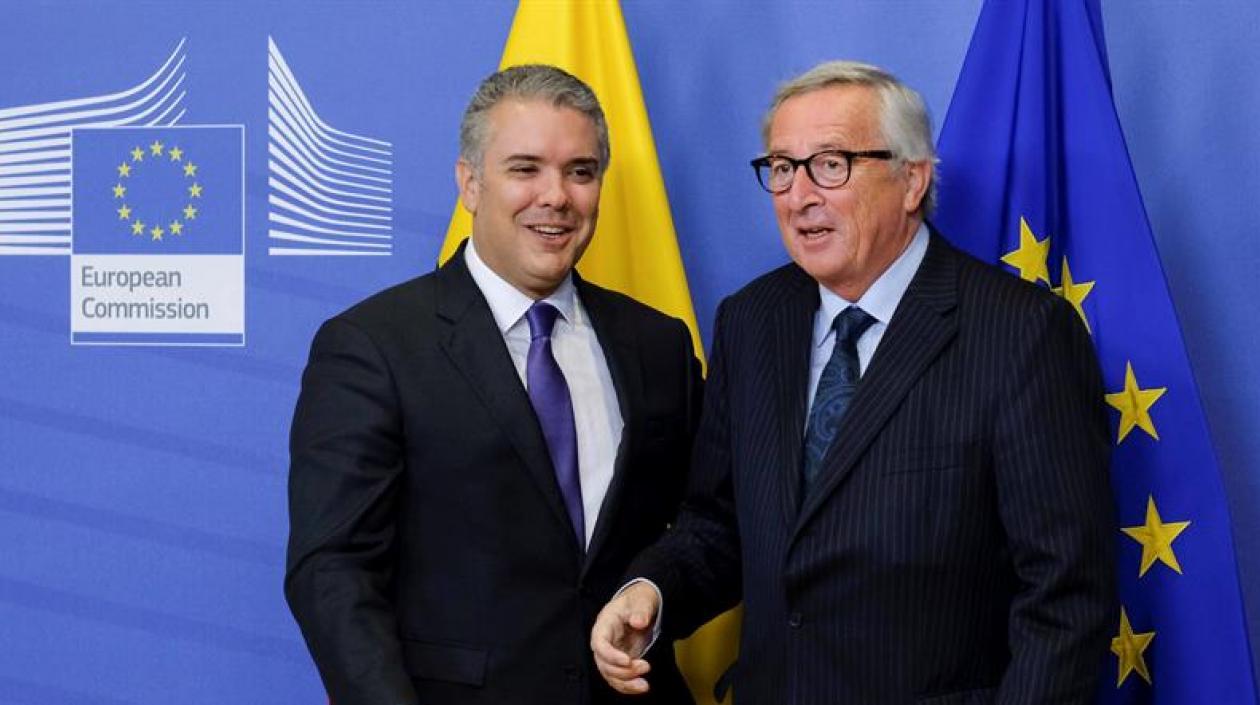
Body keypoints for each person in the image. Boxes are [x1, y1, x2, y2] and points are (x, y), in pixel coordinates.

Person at [592, 60, 1116, 704]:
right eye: (782, 168)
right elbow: (723, 522)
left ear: (912, 180)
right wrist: (651, 590)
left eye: (831, 164)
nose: (799, 194)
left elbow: (1064, 598)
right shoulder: (752, 321)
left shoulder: (1023, 334)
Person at [286, 64, 701, 705]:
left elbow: (713, 522)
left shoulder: (659, 345)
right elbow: (333, 570)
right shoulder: (374, 346)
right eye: (525, 168)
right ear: (470, 183)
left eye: (580, 171)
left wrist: (654, 591)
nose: (556, 196)